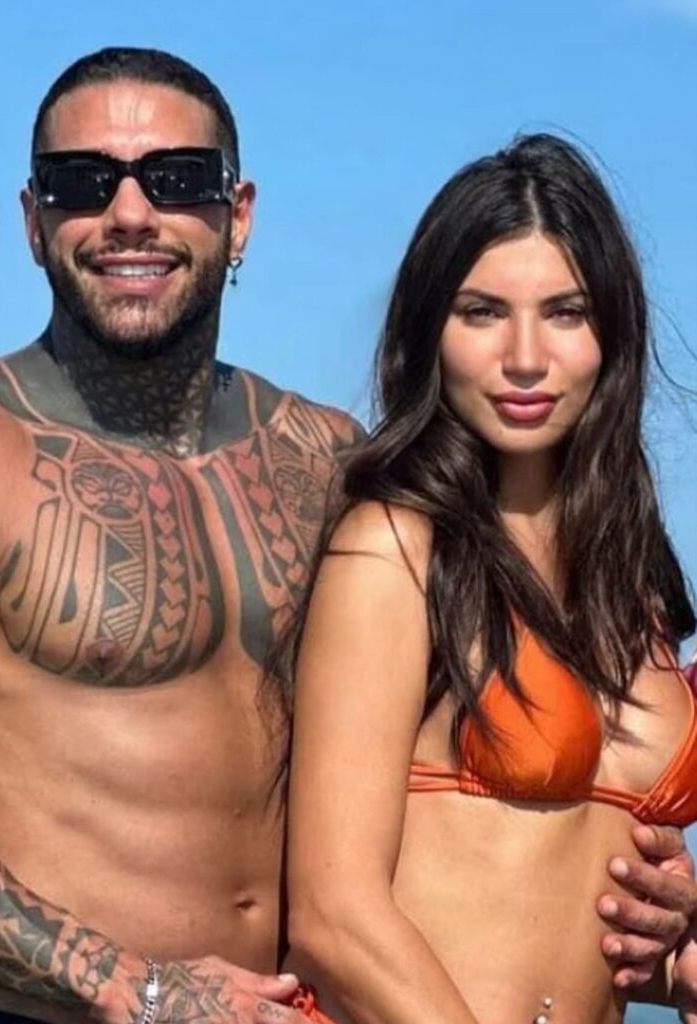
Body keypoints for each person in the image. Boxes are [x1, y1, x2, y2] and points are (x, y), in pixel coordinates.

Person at [0, 48, 692, 1024]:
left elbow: (449, 788)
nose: (130, 212)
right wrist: (123, 981)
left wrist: (650, 919)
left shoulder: (329, 462)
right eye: (81, 182)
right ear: (32, 219)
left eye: (177, 178)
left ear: (239, 216)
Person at [283, 133, 697, 1023]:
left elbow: (575, 906)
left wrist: (680, 955)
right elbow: (332, 916)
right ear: (429, 330)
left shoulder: (631, 580)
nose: (523, 357)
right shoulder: (393, 549)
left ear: (611, 331)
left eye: (565, 313)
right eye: (480, 313)